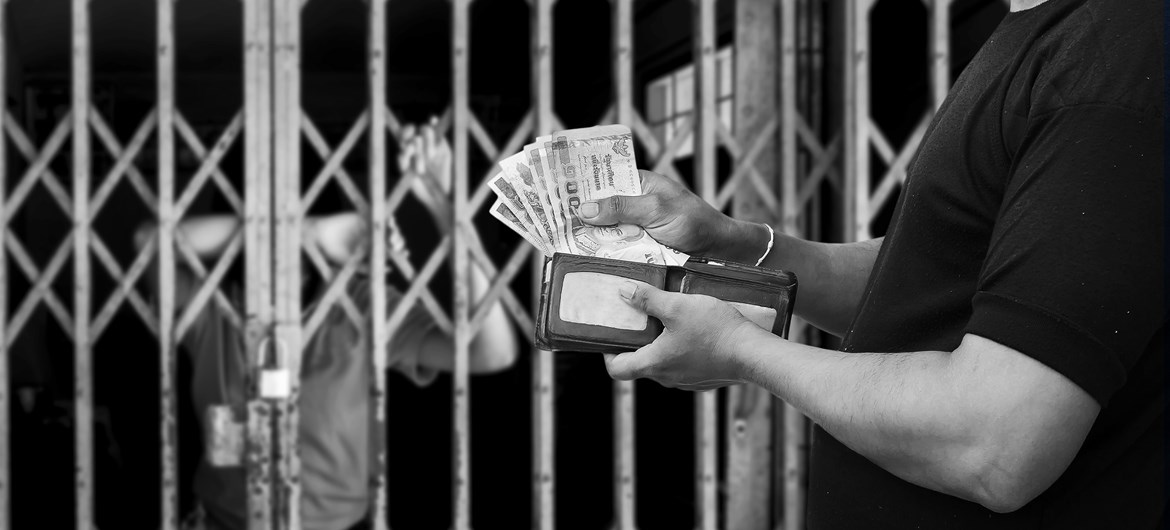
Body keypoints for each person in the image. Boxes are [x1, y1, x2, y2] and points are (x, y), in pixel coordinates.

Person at [579, 0, 1163, 527]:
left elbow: (996, 444)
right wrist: (737, 244)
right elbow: (941, 282)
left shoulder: (1109, 61)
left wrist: (743, 352)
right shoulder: (1048, 36)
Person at [137, 122, 518, 530]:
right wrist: (304, 230)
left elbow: (491, 352)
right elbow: (148, 241)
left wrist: (444, 209)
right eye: (258, 219)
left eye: (300, 213)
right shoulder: (211, 306)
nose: (280, 244)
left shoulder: (359, 304)